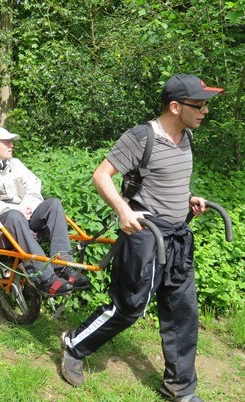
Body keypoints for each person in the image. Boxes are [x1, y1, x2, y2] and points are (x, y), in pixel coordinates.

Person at [59, 74, 223, 402]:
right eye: (200, 105)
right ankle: (74, 345)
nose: (205, 111)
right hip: (145, 237)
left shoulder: (186, 136)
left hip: (178, 239)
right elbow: (101, 175)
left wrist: (188, 198)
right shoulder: (141, 137)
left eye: (206, 105)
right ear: (176, 107)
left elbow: (166, 181)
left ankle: (180, 389)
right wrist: (123, 210)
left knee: (183, 312)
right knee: (129, 307)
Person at [0, 127, 90, 297]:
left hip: (23, 213)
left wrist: (28, 204)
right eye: (7, 142)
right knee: (15, 215)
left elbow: (33, 185)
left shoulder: (15, 164)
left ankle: (63, 267)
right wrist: (17, 209)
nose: (12, 145)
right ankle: (45, 279)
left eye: (11, 142)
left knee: (53, 203)